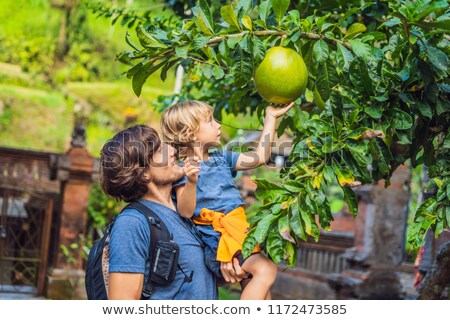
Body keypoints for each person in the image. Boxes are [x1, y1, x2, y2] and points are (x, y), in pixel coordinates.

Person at [161, 100, 294, 300]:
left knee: (264, 295)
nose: (218, 125)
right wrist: (191, 181)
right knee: (266, 270)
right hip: (220, 240)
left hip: (240, 233)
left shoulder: (221, 158)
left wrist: (271, 118)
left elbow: (259, 157)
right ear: (190, 132)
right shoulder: (184, 169)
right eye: (210, 121)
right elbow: (186, 211)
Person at [99, 124, 246, 300]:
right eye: (160, 150)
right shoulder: (132, 224)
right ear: (144, 173)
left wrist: (227, 264)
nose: (173, 151)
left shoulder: (188, 213)